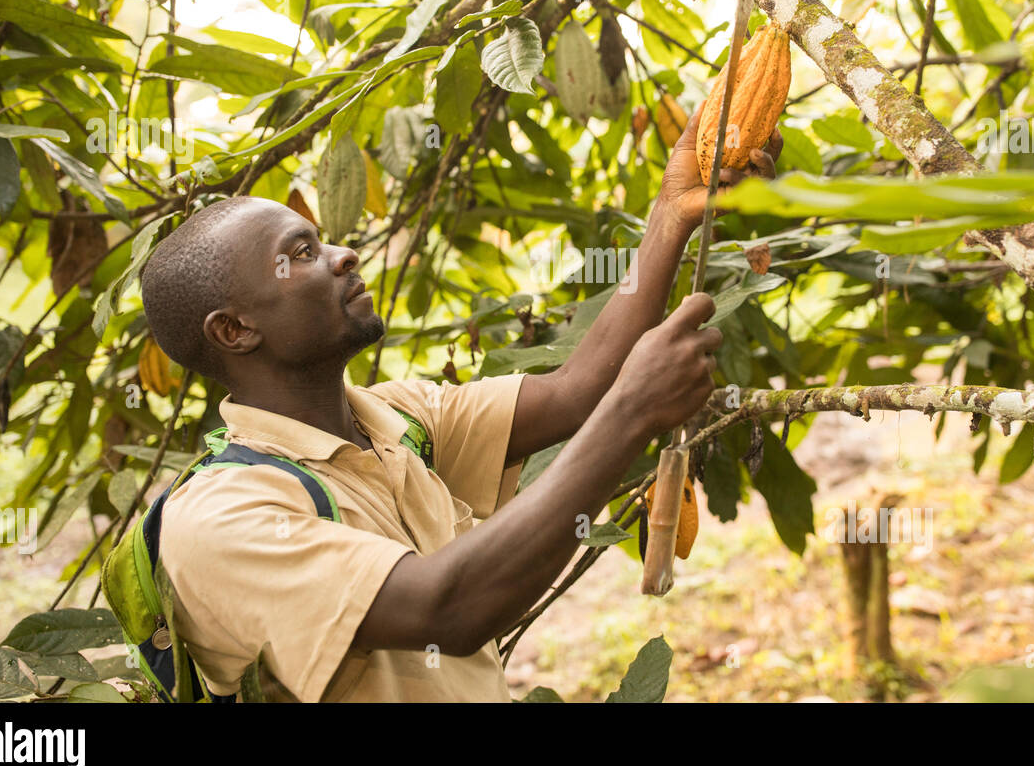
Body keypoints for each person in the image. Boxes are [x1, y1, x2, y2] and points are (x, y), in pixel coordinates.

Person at [138, 102, 782, 701]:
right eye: (301, 254)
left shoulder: (393, 420)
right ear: (234, 330)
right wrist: (635, 411)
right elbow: (448, 610)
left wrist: (670, 213)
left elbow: (577, 391)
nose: (345, 254)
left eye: (323, 239)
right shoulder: (224, 517)